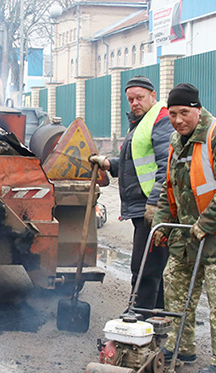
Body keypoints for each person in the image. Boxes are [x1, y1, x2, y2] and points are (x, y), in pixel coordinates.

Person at [152, 83, 216, 373]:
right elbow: (169, 189)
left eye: (184, 112)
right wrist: (162, 221)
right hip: (187, 236)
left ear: (198, 109)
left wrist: (203, 225)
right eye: (172, 114)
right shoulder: (176, 141)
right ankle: (181, 346)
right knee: (174, 285)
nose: (179, 119)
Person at [89, 76, 173, 313]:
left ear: (153, 96)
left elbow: (166, 165)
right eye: (131, 99)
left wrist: (156, 203)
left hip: (154, 208)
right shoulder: (142, 122)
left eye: (140, 98)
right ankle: (157, 314)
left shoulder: (160, 120)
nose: (135, 103)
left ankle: (138, 314)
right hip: (144, 206)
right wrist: (109, 164)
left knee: (144, 264)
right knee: (152, 263)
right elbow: (137, 162)